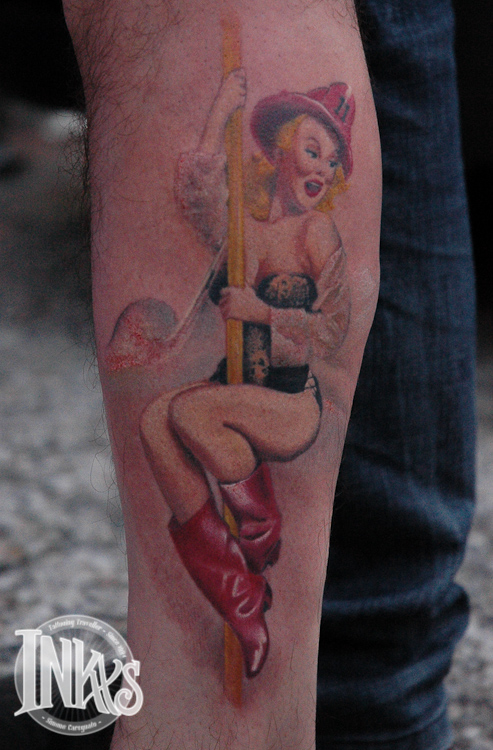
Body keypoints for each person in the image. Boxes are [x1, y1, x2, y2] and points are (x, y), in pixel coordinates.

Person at [133, 69, 355, 678]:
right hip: (234, 390)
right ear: (280, 149)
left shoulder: (316, 233)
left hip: (288, 402)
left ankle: (261, 535)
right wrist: (220, 114)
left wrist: (263, 311)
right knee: (155, 423)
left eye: (332, 162)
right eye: (312, 149)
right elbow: (195, 195)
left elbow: (333, 330)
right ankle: (242, 599)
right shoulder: (244, 231)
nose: (323, 168)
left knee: (192, 412)